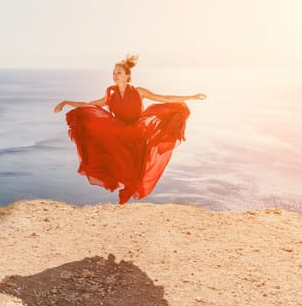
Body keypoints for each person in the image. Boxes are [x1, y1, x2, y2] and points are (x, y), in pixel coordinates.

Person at [54, 54, 206, 204]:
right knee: (99, 142)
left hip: (137, 133)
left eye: (119, 73)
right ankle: (120, 180)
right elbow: (89, 104)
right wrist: (67, 102)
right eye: (113, 73)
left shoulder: (138, 91)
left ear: (127, 75)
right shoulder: (110, 93)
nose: (115, 75)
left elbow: (164, 98)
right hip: (119, 132)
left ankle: (129, 186)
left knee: (135, 170)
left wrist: (191, 97)